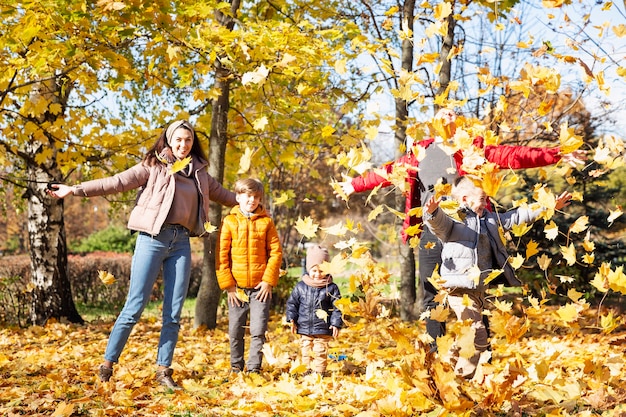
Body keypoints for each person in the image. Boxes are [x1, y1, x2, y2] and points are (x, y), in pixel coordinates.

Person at [335, 108, 585, 349]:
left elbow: (514, 155)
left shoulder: (473, 149)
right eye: (441, 112)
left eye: (452, 112)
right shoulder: (420, 151)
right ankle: (435, 355)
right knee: (431, 295)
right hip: (431, 233)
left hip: (469, 231)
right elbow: (388, 171)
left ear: (459, 122)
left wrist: (557, 154)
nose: (446, 114)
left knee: (476, 293)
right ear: (433, 121)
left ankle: (481, 354)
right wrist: (355, 185)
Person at [47, 120, 237, 389]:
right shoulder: (154, 166)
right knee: (134, 306)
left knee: (173, 312)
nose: (184, 145)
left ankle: (163, 370)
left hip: (181, 242)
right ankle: (107, 364)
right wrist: (74, 189)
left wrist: (252, 200)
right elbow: (116, 182)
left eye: (189, 140)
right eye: (179, 140)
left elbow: (226, 196)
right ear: (170, 140)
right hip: (152, 239)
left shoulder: (199, 173)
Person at [423, 176, 572, 378]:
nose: (486, 204)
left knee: (471, 335)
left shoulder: (490, 220)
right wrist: (432, 212)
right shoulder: (455, 220)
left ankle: (445, 366)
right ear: (466, 198)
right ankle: (460, 379)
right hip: (458, 289)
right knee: (477, 332)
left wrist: (548, 206)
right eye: (483, 199)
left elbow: (519, 215)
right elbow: (439, 224)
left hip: (477, 289)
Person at [216, 178, 283, 374]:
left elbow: (276, 252)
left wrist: (268, 281)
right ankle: (236, 366)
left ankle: (254, 368)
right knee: (235, 330)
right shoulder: (229, 222)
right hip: (236, 289)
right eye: (248, 196)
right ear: (238, 197)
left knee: (257, 330)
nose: (252, 200)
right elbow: (222, 255)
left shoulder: (266, 222)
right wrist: (228, 286)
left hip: (260, 289)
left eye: (256, 197)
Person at [285, 245, 343, 376]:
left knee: (320, 351)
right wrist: (291, 318)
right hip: (304, 327)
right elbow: (292, 304)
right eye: (314, 270)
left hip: (323, 328)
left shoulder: (331, 288)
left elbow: (337, 307)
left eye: (321, 271)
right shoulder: (301, 286)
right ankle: (306, 372)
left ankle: (319, 373)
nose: (317, 274)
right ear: (308, 269)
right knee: (306, 351)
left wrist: (336, 323)